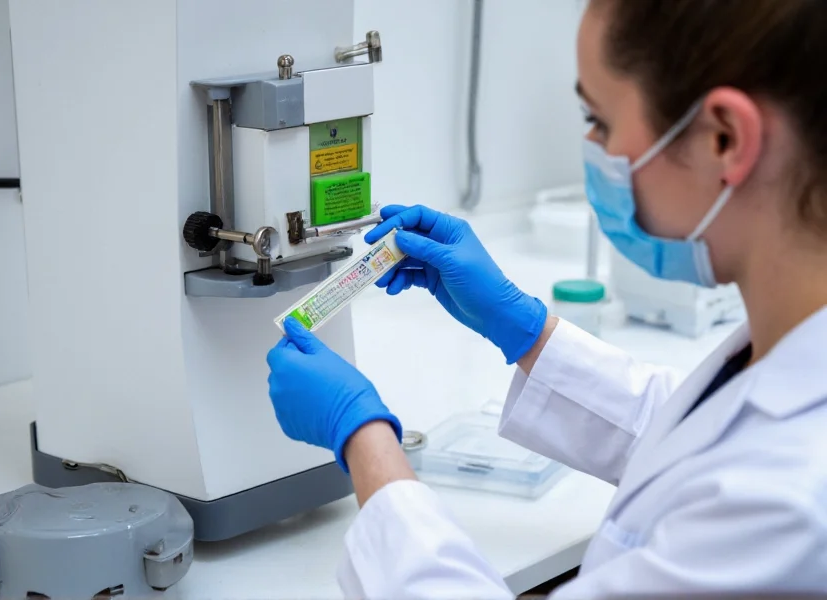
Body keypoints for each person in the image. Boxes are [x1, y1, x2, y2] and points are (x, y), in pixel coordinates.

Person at [266, 0, 827, 597]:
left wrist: (363, 438)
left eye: (600, 120)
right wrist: (525, 329)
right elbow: (694, 434)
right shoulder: (790, 341)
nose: (592, 145)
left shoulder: (789, 504)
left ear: (724, 138)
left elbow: (734, 477)